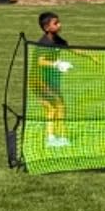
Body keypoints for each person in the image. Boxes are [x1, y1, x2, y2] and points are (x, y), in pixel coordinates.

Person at [34, 11, 73, 148]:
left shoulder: (58, 41)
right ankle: (52, 138)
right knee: (54, 107)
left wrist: (92, 56)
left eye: (59, 22)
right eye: (55, 23)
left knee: (57, 107)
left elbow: (73, 50)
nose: (59, 25)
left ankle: (58, 137)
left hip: (51, 81)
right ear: (46, 28)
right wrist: (57, 64)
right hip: (39, 81)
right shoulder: (44, 43)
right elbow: (40, 62)